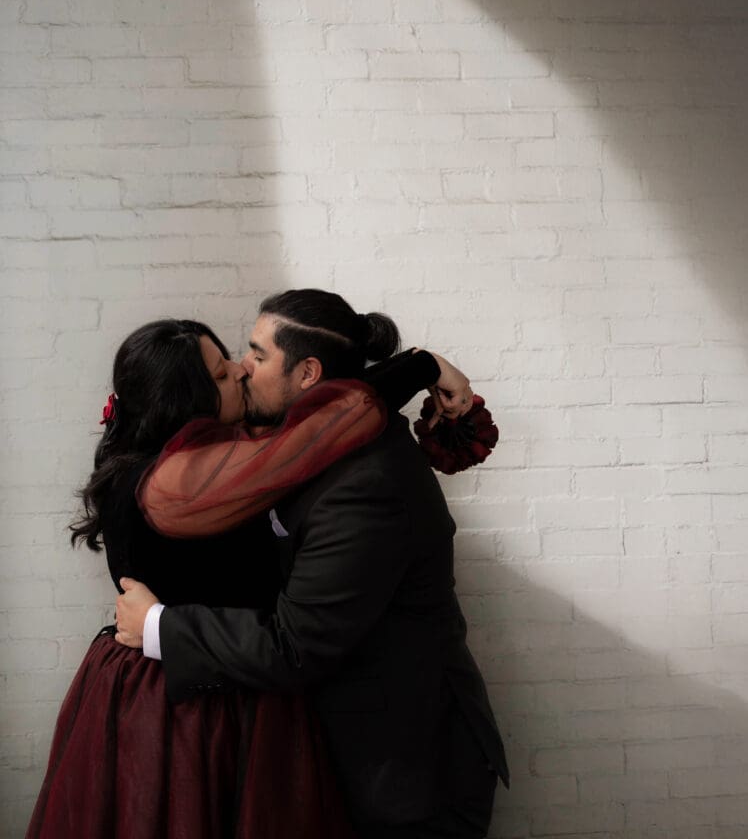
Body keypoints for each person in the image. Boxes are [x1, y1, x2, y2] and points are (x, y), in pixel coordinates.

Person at [27, 315, 463, 839]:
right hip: (186, 703)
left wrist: (418, 366)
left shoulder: (203, 459)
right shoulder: (175, 480)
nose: (238, 371)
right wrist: (421, 366)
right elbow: (317, 433)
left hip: (214, 678)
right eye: (218, 374)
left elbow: (308, 421)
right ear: (185, 401)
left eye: (233, 357)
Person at [116, 290, 510, 839]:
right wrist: (422, 365)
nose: (241, 369)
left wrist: (159, 626)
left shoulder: (364, 487)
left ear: (306, 373)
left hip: (403, 778)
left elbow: (295, 646)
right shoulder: (316, 439)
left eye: (256, 353)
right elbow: (350, 400)